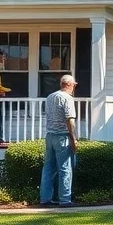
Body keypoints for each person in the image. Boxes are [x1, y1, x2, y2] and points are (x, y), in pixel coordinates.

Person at [40, 74, 78, 207]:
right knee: (65, 169)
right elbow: (69, 120)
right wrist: (73, 138)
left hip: (50, 136)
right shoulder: (68, 98)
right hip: (63, 137)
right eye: (74, 85)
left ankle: (45, 199)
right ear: (69, 84)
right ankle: (65, 199)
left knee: (48, 168)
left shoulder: (50, 97)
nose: (74, 87)